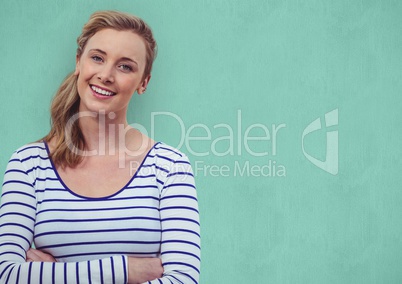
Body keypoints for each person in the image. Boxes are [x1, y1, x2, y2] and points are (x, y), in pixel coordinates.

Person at [0, 10, 200, 284]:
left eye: (125, 66)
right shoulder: (28, 164)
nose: (106, 75)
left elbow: (184, 280)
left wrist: (55, 275)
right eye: (97, 58)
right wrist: (126, 271)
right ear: (78, 63)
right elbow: (6, 274)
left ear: (144, 82)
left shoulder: (169, 166)